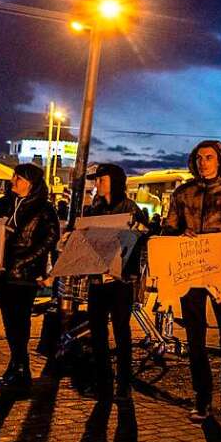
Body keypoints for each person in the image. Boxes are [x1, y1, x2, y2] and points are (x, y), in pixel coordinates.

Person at [162, 140, 221, 424]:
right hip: (190, 275)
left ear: (220, 161)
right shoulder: (183, 194)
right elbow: (168, 228)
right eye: (199, 157)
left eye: (209, 157)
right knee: (195, 340)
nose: (204, 162)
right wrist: (178, 237)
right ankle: (201, 400)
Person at [0, 163, 60, 392]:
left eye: (18, 178)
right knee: (10, 324)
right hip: (2, 271)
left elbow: (50, 240)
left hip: (24, 274)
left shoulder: (45, 209)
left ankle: (21, 370)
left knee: (19, 323)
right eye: (13, 177)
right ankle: (17, 366)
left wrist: (26, 261)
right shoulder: (4, 203)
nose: (13, 181)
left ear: (31, 183)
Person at [84, 164, 148, 400]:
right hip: (97, 279)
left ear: (116, 182)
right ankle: (103, 381)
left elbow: (141, 240)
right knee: (97, 331)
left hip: (121, 281)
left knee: (121, 332)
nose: (97, 183)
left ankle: (124, 383)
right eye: (97, 180)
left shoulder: (130, 209)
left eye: (102, 179)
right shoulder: (95, 208)